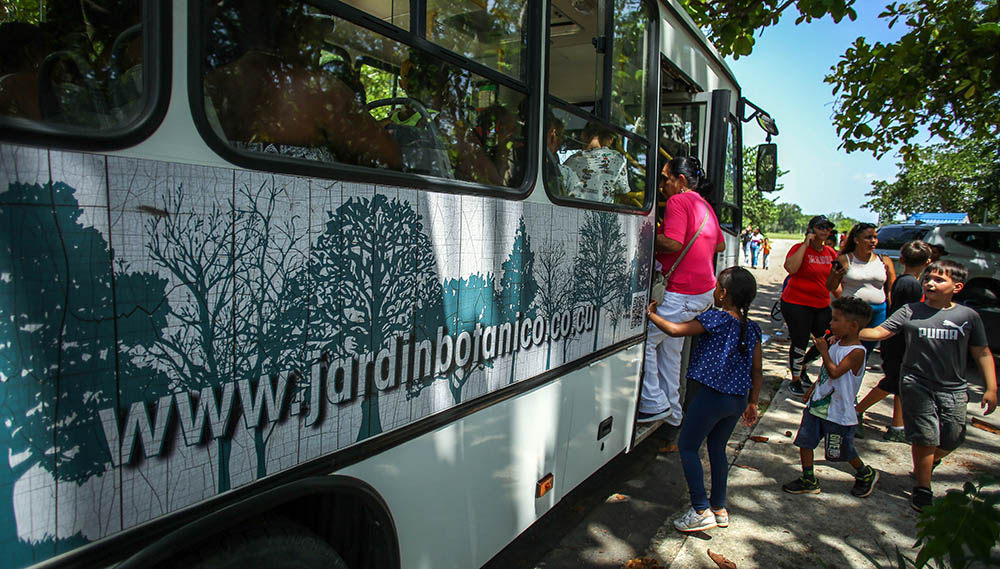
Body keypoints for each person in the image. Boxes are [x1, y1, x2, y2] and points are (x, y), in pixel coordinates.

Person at [859, 259, 997, 512]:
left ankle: (927, 463)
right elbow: (880, 332)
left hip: (954, 388)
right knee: (926, 436)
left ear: (957, 287)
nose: (930, 283)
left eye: (939, 280)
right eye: (928, 278)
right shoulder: (910, 311)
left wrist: (991, 388)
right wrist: (853, 332)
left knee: (953, 437)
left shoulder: (968, 317)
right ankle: (923, 487)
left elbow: (982, 352)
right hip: (915, 383)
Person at [646, 267, 763, 532]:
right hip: (737, 400)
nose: (713, 291)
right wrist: (753, 402)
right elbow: (757, 370)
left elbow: (675, 331)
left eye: (717, 286)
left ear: (723, 294)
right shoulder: (752, 328)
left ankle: (700, 509)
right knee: (717, 449)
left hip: (711, 396)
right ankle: (719, 507)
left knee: (687, 447)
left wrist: (651, 314)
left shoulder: (715, 320)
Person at [639, 156, 725, 425]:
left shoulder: (678, 201)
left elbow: (674, 243)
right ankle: (674, 416)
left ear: (682, 181)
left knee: (645, 342)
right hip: (703, 293)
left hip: (681, 291)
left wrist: (642, 235)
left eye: (666, 178)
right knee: (670, 354)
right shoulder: (705, 205)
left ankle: (653, 403)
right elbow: (719, 245)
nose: (662, 185)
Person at [783, 297, 880, 498]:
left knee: (841, 451)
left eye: (836, 320)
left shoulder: (857, 352)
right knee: (805, 441)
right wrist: (812, 389)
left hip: (838, 411)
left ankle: (865, 473)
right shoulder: (836, 343)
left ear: (853, 325)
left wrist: (824, 352)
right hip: (818, 404)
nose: (830, 323)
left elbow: (835, 372)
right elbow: (827, 375)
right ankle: (808, 478)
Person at [855, 240, 933, 442]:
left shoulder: (904, 281)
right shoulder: (912, 285)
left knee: (900, 384)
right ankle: (857, 411)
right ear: (928, 262)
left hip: (897, 339)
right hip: (899, 341)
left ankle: (898, 425)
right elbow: (909, 317)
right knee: (892, 382)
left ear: (902, 258)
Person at [781, 215, 838, 395]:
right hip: (796, 302)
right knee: (800, 340)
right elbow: (791, 268)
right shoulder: (799, 248)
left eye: (827, 227)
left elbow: (834, 280)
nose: (824, 230)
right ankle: (796, 379)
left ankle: (803, 364)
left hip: (821, 304)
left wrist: (842, 299)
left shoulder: (830, 253)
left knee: (829, 338)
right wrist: (806, 245)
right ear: (811, 230)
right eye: (820, 227)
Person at [827, 223, 897, 354]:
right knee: (845, 349)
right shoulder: (844, 260)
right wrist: (835, 276)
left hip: (877, 312)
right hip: (851, 313)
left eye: (875, 237)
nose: (873, 241)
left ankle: (858, 374)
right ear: (856, 240)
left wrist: (892, 310)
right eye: (868, 237)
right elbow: (830, 286)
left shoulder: (884, 260)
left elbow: (891, 289)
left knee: (865, 352)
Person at [562, 122, 631, 202]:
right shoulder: (616, 159)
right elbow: (624, 194)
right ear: (610, 140)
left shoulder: (571, 161)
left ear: (583, 135)